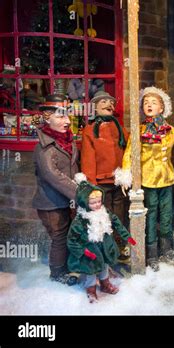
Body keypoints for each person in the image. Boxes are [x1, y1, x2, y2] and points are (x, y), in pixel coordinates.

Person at [115, 87, 174, 271]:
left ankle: (166, 250)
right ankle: (151, 254)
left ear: (162, 108)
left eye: (154, 102)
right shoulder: (139, 130)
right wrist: (126, 174)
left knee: (166, 214)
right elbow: (129, 154)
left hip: (166, 179)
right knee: (150, 216)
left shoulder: (170, 130)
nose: (149, 105)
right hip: (148, 181)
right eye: (146, 102)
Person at [67, 173, 136, 303]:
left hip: (104, 247)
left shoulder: (105, 212)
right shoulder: (81, 220)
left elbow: (117, 223)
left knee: (104, 266)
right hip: (90, 250)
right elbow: (71, 240)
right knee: (91, 270)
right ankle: (91, 289)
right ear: (84, 202)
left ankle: (105, 284)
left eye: (99, 201)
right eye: (93, 203)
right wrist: (84, 252)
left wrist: (127, 237)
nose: (97, 205)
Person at [32, 94, 78, 285]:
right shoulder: (45, 148)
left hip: (64, 200)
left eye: (67, 115)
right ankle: (57, 273)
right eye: (60, 116)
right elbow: (53, 176)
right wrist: (80, 193)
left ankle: (67, 265)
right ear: (47, 118)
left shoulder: (67, 141)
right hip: (50, 203)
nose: (66, 121)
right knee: (59, 237)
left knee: (67, 234)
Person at [81, 91, 131, 264]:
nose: (108, 104)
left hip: (120, 182)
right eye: (103, 102)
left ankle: (119, 247)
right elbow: (88, 159)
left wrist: (128, 174)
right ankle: (105, 251)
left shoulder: (120, 128)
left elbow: (129, 151)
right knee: (103, 218)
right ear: (95, 107)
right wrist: (92, 186)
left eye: (110, 102)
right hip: (101, 184)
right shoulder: (90, 130)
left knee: (120, 217)